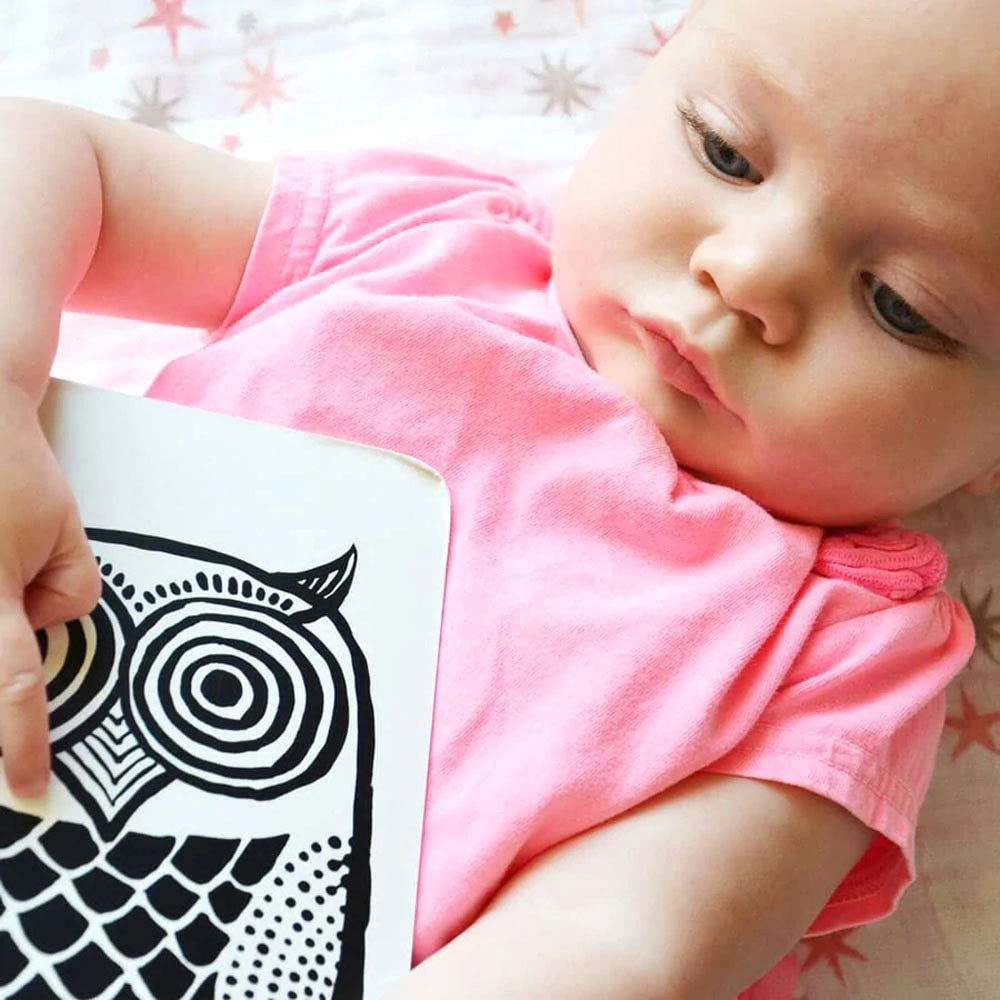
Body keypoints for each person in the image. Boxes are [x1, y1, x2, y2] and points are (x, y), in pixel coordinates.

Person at [0, 0, 994, 995]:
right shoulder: (420, 242)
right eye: (726, 152)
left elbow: (624, 946)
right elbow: (54, 156)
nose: (744, 274)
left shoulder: (845, 648)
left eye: (900, 304)